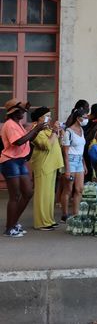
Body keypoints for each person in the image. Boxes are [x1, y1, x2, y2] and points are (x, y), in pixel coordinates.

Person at [1, 100, 46, 237]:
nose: (24, 113)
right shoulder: (9, 125)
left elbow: (26, 139)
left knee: (27, 193)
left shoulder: (17, 124)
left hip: (19, 161)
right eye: (22, 111)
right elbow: (18, 141)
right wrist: (36, 129)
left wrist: (37, 130)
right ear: (14, 112)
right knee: (15, 196)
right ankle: (9, 228)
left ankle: (13, 223)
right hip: (10, 162)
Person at [29, 107, 64, 230]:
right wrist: (54, 131)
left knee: (49, 195)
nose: (49, 118)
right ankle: (41, 222)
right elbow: (47, 145)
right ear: (40, 118)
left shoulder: (47, 128)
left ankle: (49, 219)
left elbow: (55, 142)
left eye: (50, 115)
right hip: (43, 165)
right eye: (47, 115)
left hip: (52, 164)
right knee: (42, 194)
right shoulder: (36, 129)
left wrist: (58, 132)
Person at [59, 108, 88, 222]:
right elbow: (65, 152)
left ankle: (76, 214)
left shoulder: (81, 130)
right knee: (68, 189)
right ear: (78, 118)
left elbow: (81, 149)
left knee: (79, 189)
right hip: (70, 160)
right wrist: (67, 169)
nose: (86, 120)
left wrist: (84, 164)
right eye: (84, 117)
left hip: (79, 160)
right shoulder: (68, 132)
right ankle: (65, 214)